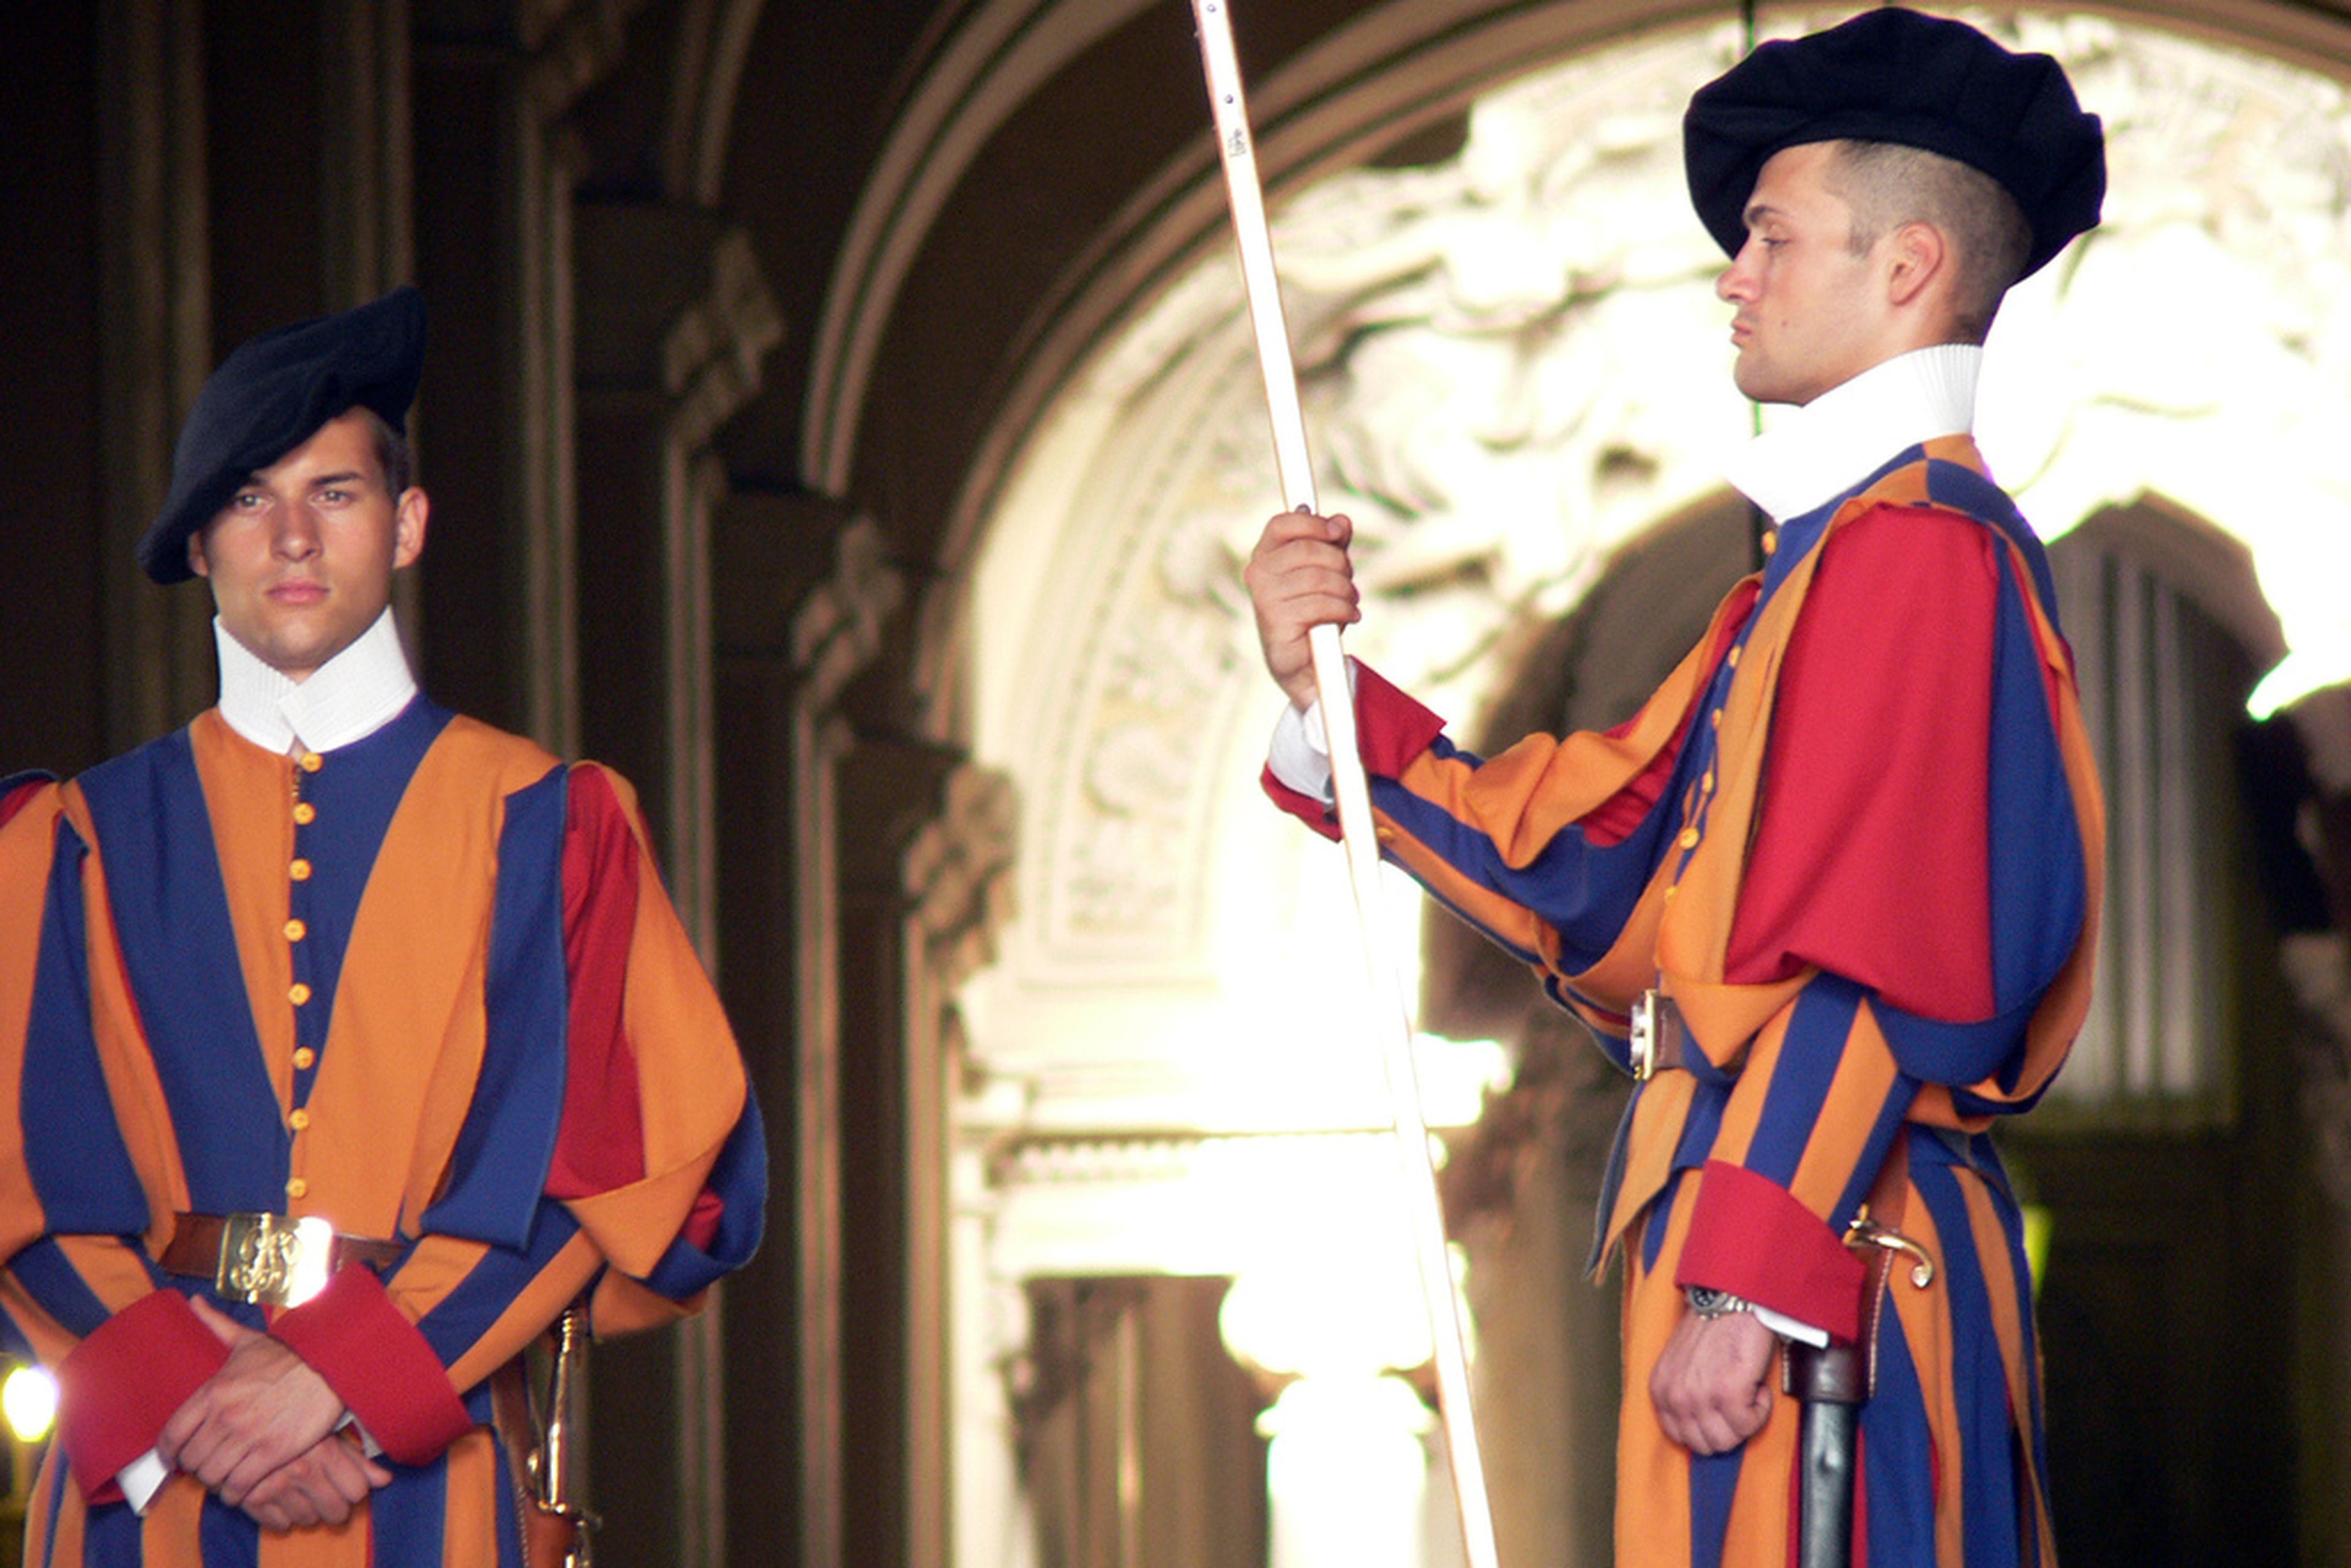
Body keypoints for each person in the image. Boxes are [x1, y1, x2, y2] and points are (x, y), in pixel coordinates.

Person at [1244, 10, 2104, 1566]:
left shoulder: (1916, 552)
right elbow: (1610, 870)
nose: (1735, 275)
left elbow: (1885, 969)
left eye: (1773, 237)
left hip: (1829, 1265)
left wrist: (1745, 1281)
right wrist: (1328, 702)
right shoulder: (1825, 566)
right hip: (1780, 1244)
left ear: (1906, 266)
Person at [0, 285, 764, 1566]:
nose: (292, 536)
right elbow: (19, 1164)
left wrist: (342, 1380)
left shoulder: (550, 825)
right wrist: (191, 1402)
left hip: (437, 1474)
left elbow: (613, 1167)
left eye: (335, 494)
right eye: (248, 498)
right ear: (199, 543)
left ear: (407, 525)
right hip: (144, 1493)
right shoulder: (68, 840)